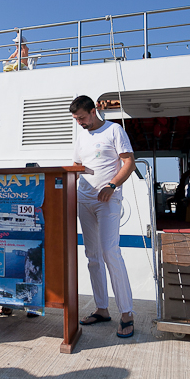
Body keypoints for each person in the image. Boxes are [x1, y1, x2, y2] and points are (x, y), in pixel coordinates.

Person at [70, 95, 136, 338]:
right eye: (76, 119)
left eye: (82, 118)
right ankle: (102, 309)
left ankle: (127, 313)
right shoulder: (80, 136)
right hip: (84, 199)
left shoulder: (114, 130)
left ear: (93, 111)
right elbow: (76, 166)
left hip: (108, 199)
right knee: (92, 256)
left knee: (110, 252)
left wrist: (112, 185)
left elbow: (129, 162)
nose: (80, 123)